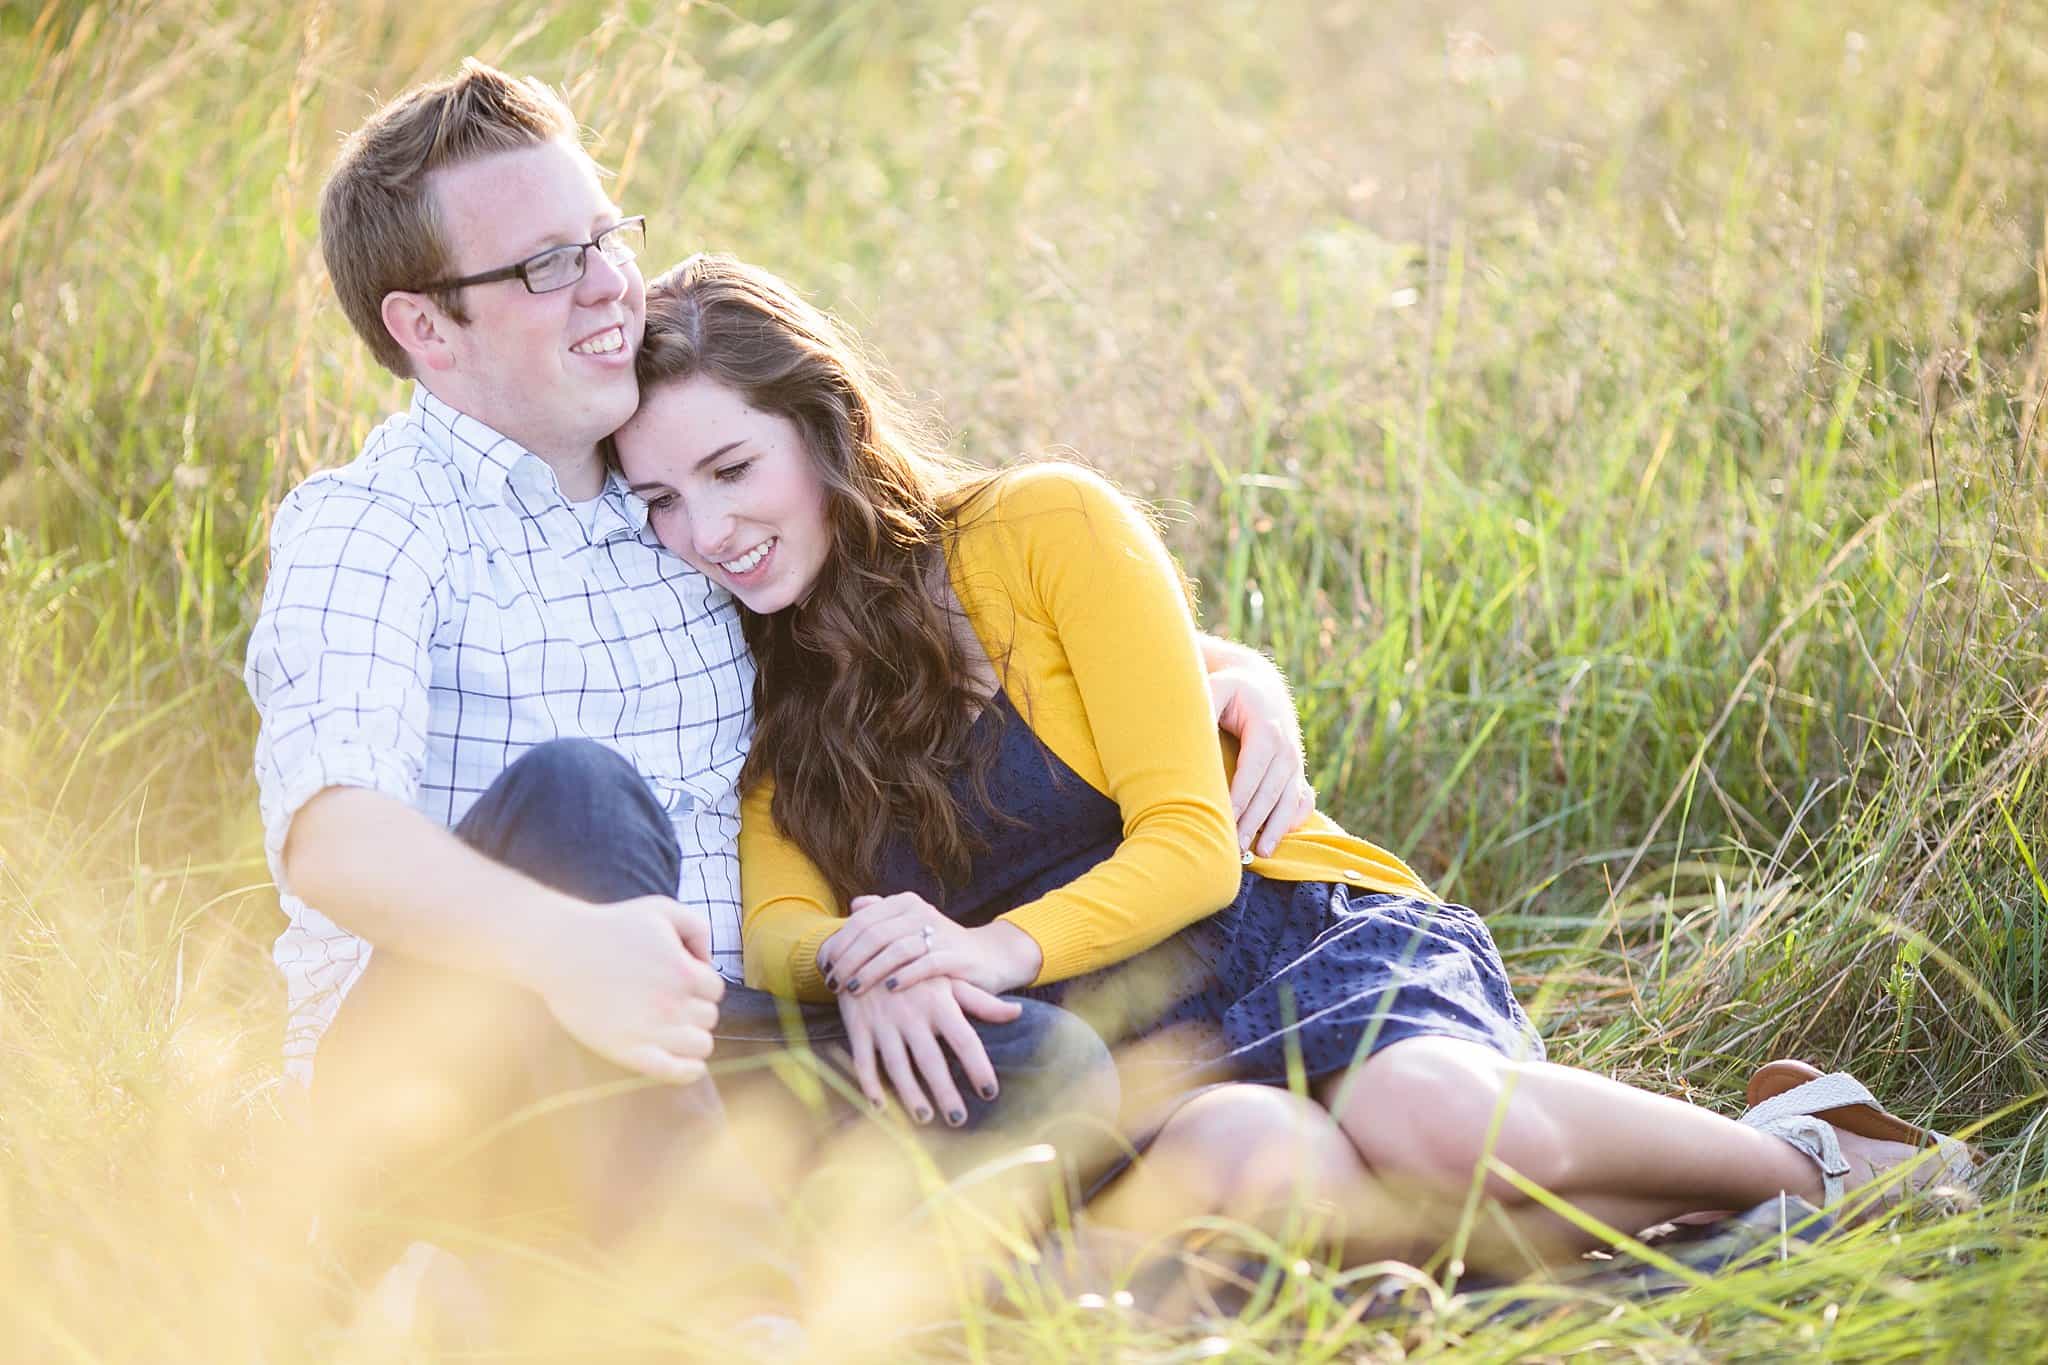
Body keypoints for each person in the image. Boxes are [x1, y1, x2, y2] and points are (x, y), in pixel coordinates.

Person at [609, 253, 1982, 1279]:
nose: (707, 529)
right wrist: (870, 953)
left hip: (1284, 941)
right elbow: (782, 916)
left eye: (732, 466)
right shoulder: (758, 688)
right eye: (662, 499)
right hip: (1139, 1050)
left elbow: (1190, 846)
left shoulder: (1040, 528)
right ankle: (1705, 1240)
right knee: (1254, 1176)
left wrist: (978, 956)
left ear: (826, 426)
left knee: (1436, 1128)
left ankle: (1813, 1148)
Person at [242, 59, 1309, 1319]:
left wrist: (1226, 676)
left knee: (1033, 1067)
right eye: (543, 266)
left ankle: (619, 1287)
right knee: (583, 801)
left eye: (602, 236)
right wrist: (567, 947)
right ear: (425, 327)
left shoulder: (673, 498)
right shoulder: (370, 530)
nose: (604, 287)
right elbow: (331, 837)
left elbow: (893, 608)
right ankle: (727, 1309)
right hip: (454, 1064)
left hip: (707, 1044)